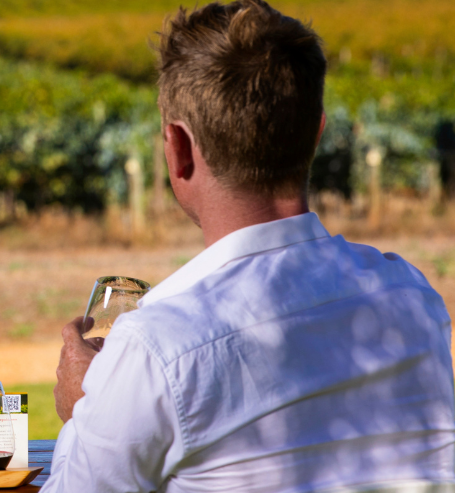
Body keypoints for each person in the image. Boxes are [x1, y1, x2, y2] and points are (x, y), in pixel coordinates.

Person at [45, 1, 455, 491]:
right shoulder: (410, 298)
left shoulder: (159, 347)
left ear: (177, 148)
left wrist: (84, 411)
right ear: (317, 133)